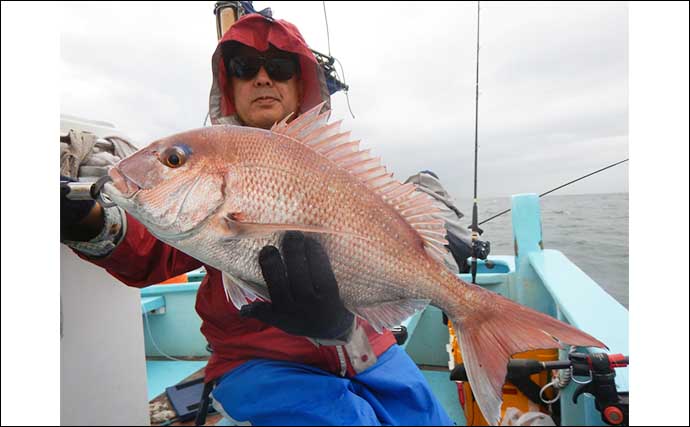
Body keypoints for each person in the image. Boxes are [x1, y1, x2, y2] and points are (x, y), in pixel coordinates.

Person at [61, 12, 481, 426]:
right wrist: (93, 223)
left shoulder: (335, 167)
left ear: (302, 83)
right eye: (244, 68)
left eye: (280, 67)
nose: (263, 78)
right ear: (229, 86)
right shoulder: (212, 169)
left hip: (364, 343)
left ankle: (477, 318)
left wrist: (352, 319)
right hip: (257, 358)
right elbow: (153, 248)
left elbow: (386, 230)